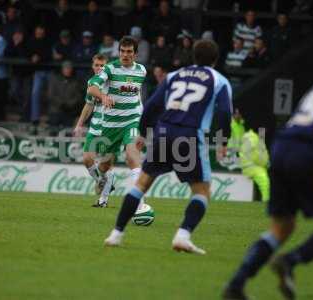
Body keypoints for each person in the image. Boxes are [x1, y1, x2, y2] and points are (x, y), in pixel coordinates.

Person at [104, 39, 232, 252]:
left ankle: (116, 234)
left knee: (141, 184)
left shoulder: (174, 75)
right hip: (190, 134)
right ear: (216, 60)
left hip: (163, 132)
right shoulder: (219, 80)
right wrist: (223, 141)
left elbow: (153, 104)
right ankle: (183, 236)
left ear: (193, 56)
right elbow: (225, 112)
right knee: (202, 191)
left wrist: (143, 134)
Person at [223, 81, 313, 300]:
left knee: (282, 227)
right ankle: (290, 261)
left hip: (282, 146)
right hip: (308, 153)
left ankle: (235, 285)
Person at [87, 36, 147, 208]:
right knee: (105, 165)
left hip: (132, 121)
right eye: (122, 51)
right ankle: (103, 180)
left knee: (132, 156)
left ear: (135, 54)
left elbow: (138, 97)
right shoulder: (110, 68)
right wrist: (103, 96)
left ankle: (140, 204)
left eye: (129, 52)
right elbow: (92, 88)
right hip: (111, 125)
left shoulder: (141, 70)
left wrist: (141, 126)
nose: (125, 55)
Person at [73, 54, 115, 207]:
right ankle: (101, 181)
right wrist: (79, 124)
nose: (99, 68)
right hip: (95, 127)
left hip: (110, 129)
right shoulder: (92, 83)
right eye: (96, 65)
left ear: (107, 66)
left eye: (102, 65)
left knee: (105, 164)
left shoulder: (113, 82)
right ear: (92, 66)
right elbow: (89, 105)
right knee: (86, 159)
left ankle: (103, 201)